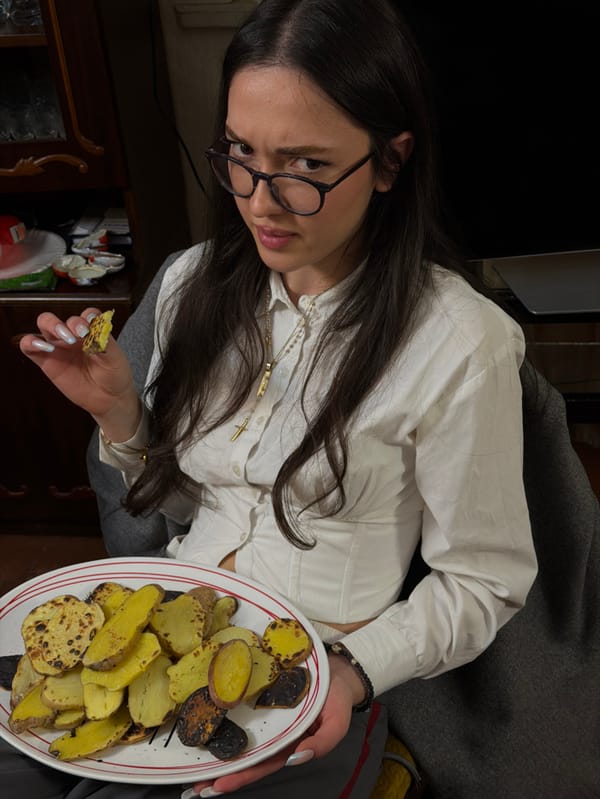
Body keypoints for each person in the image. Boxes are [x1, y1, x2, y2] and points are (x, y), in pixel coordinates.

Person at [14, 0, 537, 796]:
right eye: (241, 156)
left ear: (391, 161)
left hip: (310, 682)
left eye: (306, 168)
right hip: (165, 627)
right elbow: (193, 499)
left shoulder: (462, 343)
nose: (260, 201)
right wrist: (119, 415)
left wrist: (353, 673)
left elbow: (484, 580)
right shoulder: (193, 285)